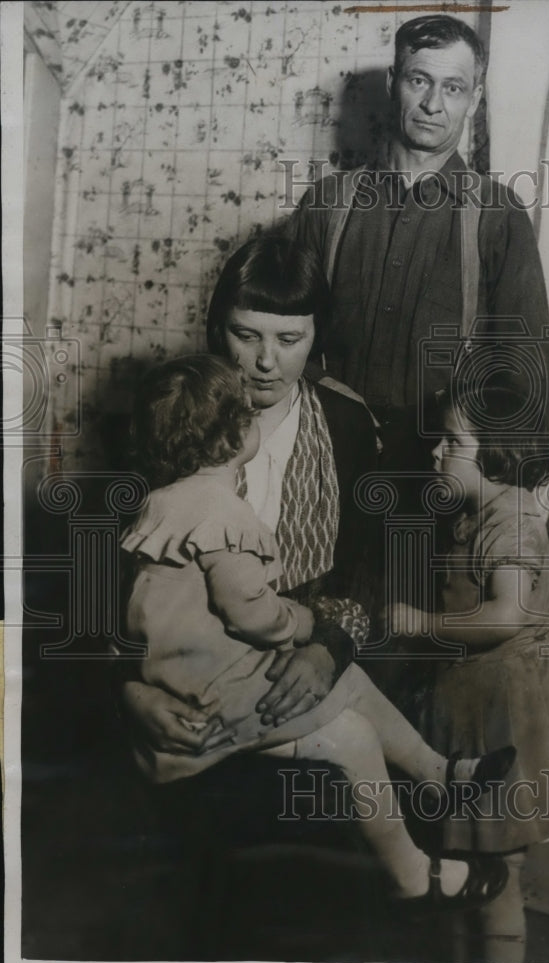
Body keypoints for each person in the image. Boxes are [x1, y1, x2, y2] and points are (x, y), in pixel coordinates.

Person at [121, 352, 516, 902]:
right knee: (351, 735)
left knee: (348, 679)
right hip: (213, 698)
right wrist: (300, 621)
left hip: (188, 674)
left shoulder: (159, 505)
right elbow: (253, 615)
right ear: (237, 436)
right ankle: (413, 873)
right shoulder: (224, 516)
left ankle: (440, 774)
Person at [121, 234, 378, 755]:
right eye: (247, 335)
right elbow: (123, 579)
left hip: (304, 655)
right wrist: (129, 690)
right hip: (186, 672)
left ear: (316, 337)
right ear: (219, 329)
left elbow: (368, 567)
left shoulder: (347, 423)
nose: (266, 361)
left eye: (289, 340)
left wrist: (328, 652)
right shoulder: (176, 409)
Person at [386, 380, 549, 959]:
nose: (436, 451)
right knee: (460, 862)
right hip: (469, 700)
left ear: (497, 454)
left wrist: (419, 623)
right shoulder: (478, 512)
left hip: (501, 711)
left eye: (452, 442)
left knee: (494, 870)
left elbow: (506, 615)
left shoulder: (512, 521)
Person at [289, 13, 549, 458]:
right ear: (394, 81)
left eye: (453, 87)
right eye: (419, 80)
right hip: (324, 450)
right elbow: (278, 333)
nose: (433, 104)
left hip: (440, 472)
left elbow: (524, 368)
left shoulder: (498, 214)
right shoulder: (325, 202)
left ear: (475, 98)